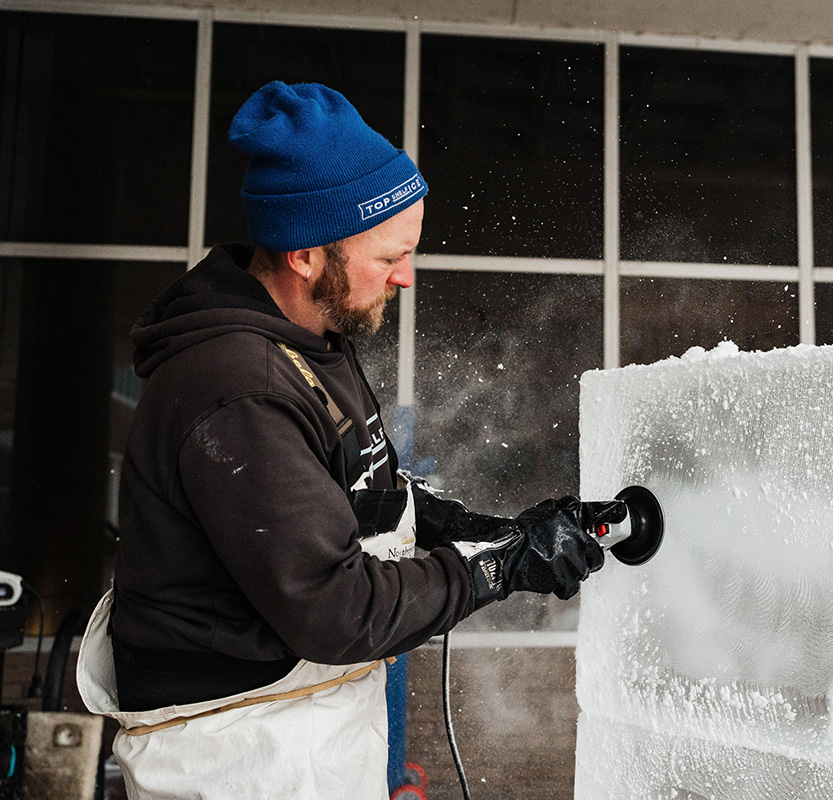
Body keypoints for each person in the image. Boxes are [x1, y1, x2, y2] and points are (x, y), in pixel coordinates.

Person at [76, 81, 624, 800]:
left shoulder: (314, 341)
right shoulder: (239, 388)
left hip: (304, 725)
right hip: (241, 757)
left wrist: (477, 530)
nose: (406, 276)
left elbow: (364, 489)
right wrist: (499, 566)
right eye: (388, 255)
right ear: (305, 255)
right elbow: (339, 609)